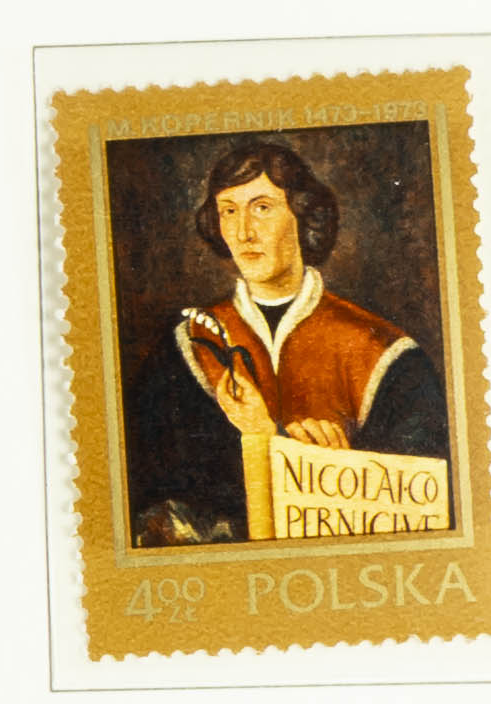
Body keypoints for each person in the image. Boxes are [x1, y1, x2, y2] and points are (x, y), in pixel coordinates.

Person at [123, 133, 454, 542]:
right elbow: (151, 501)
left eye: (262, 208)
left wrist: (341, 475)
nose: (244, 232)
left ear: (303, 214)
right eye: (229, 211)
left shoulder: (385, 354)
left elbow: (429, 506)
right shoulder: (185, 348)